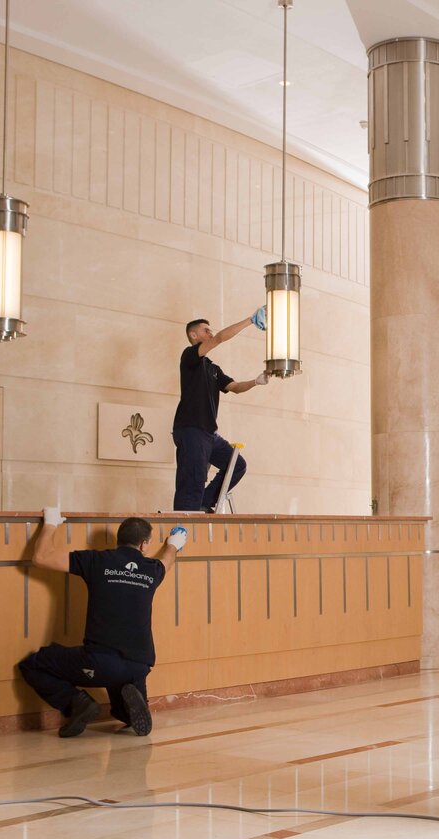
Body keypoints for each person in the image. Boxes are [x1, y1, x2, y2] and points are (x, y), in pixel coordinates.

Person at [19, 510, 186, 738]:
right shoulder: (152, 569)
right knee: (123, 708)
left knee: (33, 664)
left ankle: (77, 703)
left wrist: (50, 523)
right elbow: (168, 559)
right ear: (145, 544)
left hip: (101, 662)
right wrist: (175, 543)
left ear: (119, 539)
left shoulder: (97, 561)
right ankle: (129, 702)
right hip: (140, 664)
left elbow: (40, 557)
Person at [172, 308, 269, 511]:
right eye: (205, 330)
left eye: (210, 331)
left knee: (237, 465)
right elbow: (219, 339)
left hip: (209, 433)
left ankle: (205, 503)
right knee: (193, 481)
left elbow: (235, 388)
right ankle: (185, 520)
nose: (210, 333)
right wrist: (250, 320)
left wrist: (256, 381)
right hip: (191, 429)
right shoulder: (190, 357)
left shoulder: (213, 369)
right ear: (193, 335)